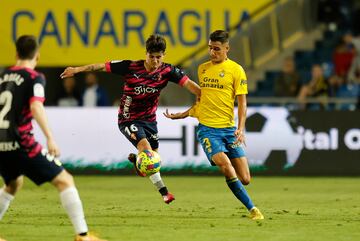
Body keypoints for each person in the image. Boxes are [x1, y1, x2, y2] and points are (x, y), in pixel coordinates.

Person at [60, 34, 201, 204]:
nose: (155, 61)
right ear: (145, 54)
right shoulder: (130, 67)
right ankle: (165, 193)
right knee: (147, 152)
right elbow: (100, 66)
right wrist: (76, 70)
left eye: (158, 57)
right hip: (128, 118)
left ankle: (137, 162)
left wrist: (204, 97)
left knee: (151, 163)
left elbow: (192, 86)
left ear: (164, 55)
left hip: (150, 120)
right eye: (151, 57)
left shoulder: (168, 71)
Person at [0, 35, 106, 241]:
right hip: (22, 143)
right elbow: (36, 106)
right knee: (65, 181)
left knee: (13, 184)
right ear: (37, 56)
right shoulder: (34, 77)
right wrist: (50, 137)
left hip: (1, 143)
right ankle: (83, 235)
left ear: (16, 54)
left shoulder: (3, 77)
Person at [164, 30, 264, 220]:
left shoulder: (236, 70)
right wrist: (184, 114)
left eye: (216, 49)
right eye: (210, 48)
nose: (212, 52)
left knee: (245, 178)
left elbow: (242, 102)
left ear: (227, 48)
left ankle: (245, 198)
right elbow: (203, 99)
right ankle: (253, 209)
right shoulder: (202, 69)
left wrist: (240, 128)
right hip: (208, 130)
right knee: (226, 166)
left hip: (228, 129)